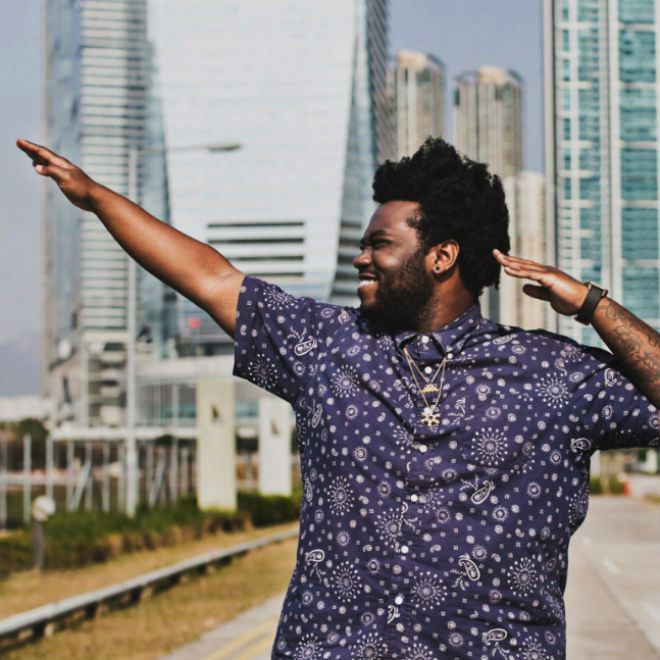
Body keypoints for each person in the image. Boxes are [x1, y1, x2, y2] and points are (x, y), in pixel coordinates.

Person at [17, 136, 659, 660]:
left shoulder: (555, 374)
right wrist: (96, 197)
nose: (360, 259)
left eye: (379, 244)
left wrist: (593, 305)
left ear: (441, 257)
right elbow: (210, 277)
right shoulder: (325, 345)